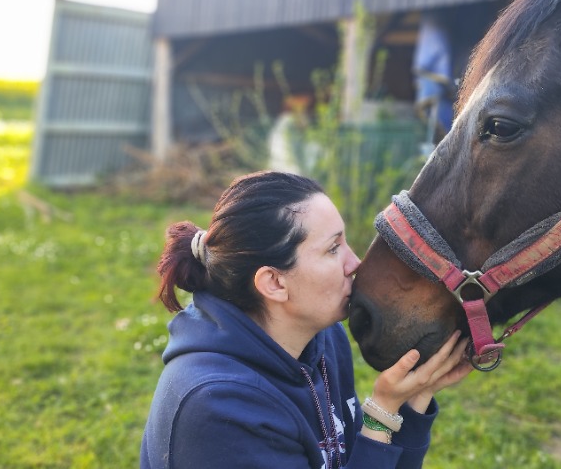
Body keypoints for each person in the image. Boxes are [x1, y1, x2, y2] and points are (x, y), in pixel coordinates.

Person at [140, 171, 473, 469]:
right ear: (274, 283)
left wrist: (413, 401)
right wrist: (382, 413)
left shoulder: (323, 340)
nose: (355, 263)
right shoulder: (218, 409)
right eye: (333, 249)